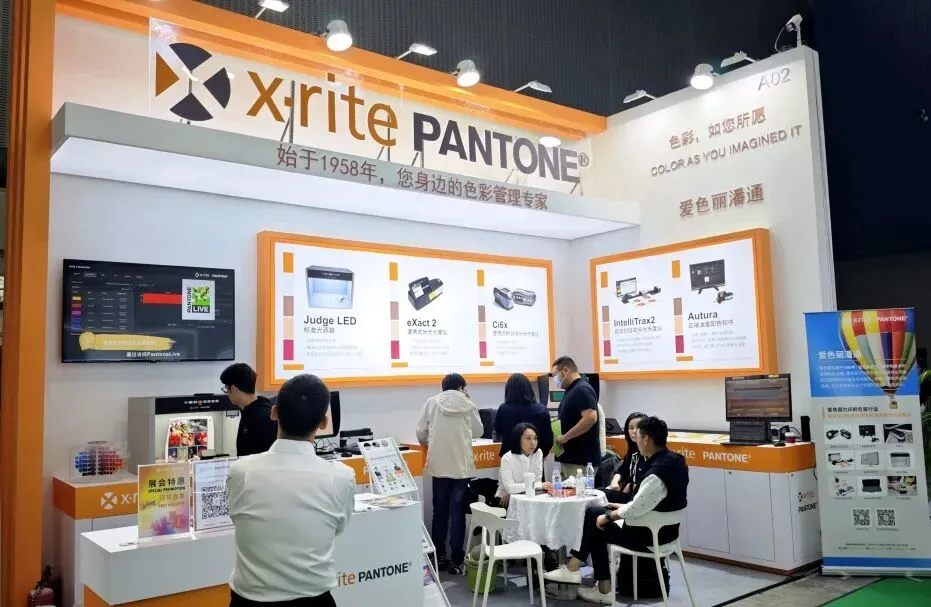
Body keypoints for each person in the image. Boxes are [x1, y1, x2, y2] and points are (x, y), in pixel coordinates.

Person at [227, 374, 355, 607]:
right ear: (323, 422)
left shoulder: (241, 471)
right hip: (314, 601)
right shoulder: (341, 477)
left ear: (274, 412)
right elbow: (338, 527)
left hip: (249, 601)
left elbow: (238, 519)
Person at [544, 416, 689, 604]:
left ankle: (593, 581)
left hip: (648, 536)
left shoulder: (656, 472)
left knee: (595, 522)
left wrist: (609, 516)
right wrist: (619, 508)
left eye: (639, 436)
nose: (636, 439)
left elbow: (637, 507)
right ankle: (580, 571)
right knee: (596, 514)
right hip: (665, 532)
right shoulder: (675, 461)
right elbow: (648, 503)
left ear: (647, 439)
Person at [416, 373, 484, 575]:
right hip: (461, 468)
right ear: (461, 387)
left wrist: (431, 441)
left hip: (439, 466)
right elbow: (479, 431)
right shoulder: (469, 404)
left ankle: (438, 555)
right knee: (457, 513)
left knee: (440, 511)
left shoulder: (432, 402)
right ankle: (456, 558)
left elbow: (421, 433)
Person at [552, 356, 600, 469]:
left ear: (565, 370)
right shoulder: (571, 390)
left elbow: (590, 417)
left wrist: (566, 437)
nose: (554, 379)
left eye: (555, 375)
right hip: (570, 459)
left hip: (580, 461)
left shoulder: (581, 389)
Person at [221, 363, 278, 457]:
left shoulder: (262, 418)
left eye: (226, 389)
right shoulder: (251, 409)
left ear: (234, 389)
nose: (227, 394)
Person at [494, 373, 554, 457]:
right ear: (529, 388)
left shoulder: (503, 409)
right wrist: (543, 455)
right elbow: (548, 438)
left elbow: (498, 430)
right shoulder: (541, 409)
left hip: (510, 456)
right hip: (535, 455)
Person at [494, 423, 554, 506]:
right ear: (518, 439)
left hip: (528, 496)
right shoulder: (507, 458)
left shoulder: (538, 453)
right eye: (528, 438)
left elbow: (537, 480)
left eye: (535, 438)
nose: (533, 443)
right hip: (506, 500)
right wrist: (538, 485)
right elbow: (510, 488)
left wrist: (517, 490)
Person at [604, 412, 648, 503]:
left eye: (639, 427)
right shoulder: (632, 451)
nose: (634, 431)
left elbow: (650, 484)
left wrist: (631, 486)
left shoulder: (649, 453)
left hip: (640, 499)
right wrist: (614, 482)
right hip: (627, 494)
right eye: (631, 428)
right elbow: (622, 470)